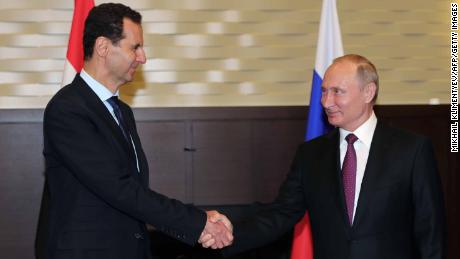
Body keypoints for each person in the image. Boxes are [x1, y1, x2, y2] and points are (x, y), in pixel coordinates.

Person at [204, 54, 446, 258]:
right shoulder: (311, 154)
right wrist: (228, 233)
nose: (326, 102)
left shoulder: (411, 150)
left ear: (368, 92)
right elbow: (280, 215)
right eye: (324, 92)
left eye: (337, 92)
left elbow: (431, 230)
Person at [42, 3, 232, 259]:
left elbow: (134, 190)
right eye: (135, 47)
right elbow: (119, 189)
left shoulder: (122, 111)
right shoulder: (68, 109)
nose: (143, 57)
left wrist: (200, 220)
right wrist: (198, 222)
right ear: (103, 47)